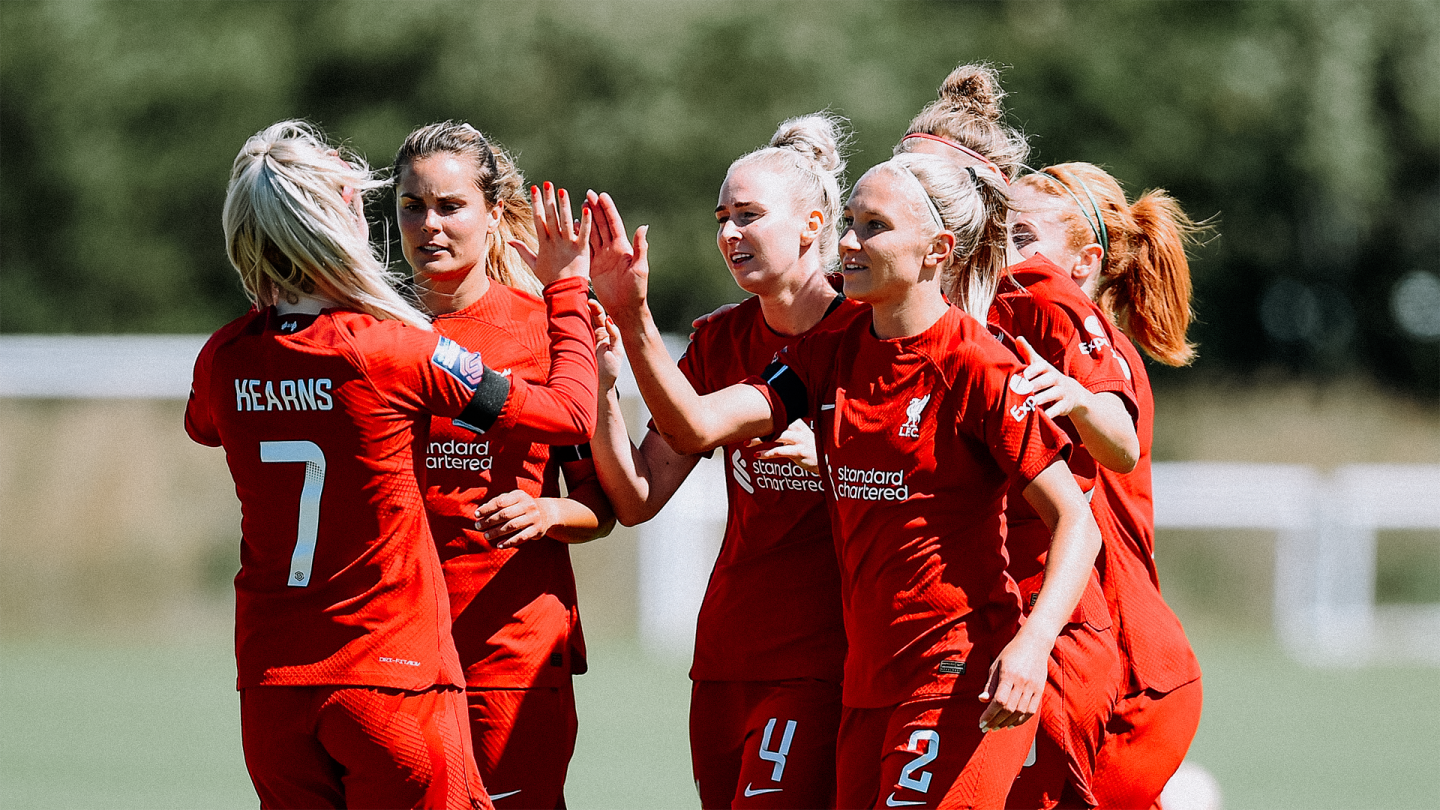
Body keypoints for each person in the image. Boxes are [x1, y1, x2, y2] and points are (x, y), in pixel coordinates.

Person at [588, 150, 1103, 810]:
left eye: (874, 227)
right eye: (852, 223)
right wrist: (632, 319)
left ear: (936, 250)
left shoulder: (977, 364)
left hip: (953, 671)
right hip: (865, 686)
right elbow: (694, 428)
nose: (851, 242)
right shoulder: (827, 352)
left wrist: (1032, 648)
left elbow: (1077, 521)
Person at [184, 120, 595, 810]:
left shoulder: (225, 357)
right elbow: (568, 415)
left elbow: (204, 424)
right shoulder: (392, 346)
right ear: (334, 220)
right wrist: (572, 296)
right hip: (390, 672)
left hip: (273, 686)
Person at [588, 113, 864, 809]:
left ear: (813, 222)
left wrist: (634, 317)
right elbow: (638, 497)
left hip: (822, 658)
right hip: (725, 656)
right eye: (722, 218)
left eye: (749, 215)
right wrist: (598, 387)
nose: (729, 234)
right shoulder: (717, 339)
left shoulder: (865, 336)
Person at [898, 64, 1130, 810]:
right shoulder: (894, 305)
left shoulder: (1037, 296)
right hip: (929, 631)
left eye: (921, 182)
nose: (899, 195)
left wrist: (1078, 401)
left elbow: (1120, 447)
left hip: (1039, 622)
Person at [394, 121, 611, 810]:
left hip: (510, 650)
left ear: (492, 216)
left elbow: (598, 506)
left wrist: (546, 513)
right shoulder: (378, 328)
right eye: (411, 206)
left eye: (450, 206)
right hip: (396, 647)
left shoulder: (546, 331)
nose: (428, 224)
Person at [1007, 163, 1204, 810]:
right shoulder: (1027, 342)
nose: (1002, 255)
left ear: (1086, 260)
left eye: (1020, 237)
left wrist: (1080, 401)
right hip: (1104, 664)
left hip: (1126, 674)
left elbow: (1115, 437)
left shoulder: (1100, 355)